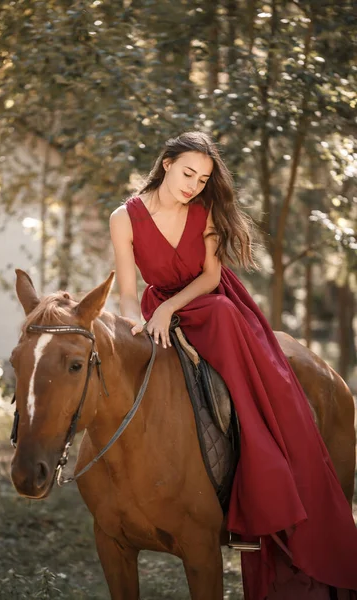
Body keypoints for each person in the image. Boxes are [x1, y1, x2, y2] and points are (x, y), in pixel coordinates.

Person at [109, 131, 357, 599]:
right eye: (187, 173)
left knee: (235, 359)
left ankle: (255, 477)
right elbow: (125, 289)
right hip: (155, 307)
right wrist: (136, 323)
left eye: (202, 179)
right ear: (166, 164)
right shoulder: (124, 217)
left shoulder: (203, 213)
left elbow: (210, 277)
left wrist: (168, 309)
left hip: (210, 307)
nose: (193, 185)